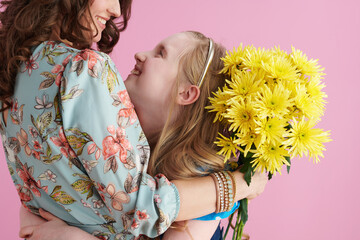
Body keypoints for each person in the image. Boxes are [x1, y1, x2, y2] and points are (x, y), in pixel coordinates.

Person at [0, 0, 267, 239]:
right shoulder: (86, 69)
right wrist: (240, 185)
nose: (116, 10)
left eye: (160, 53)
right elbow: (141, 207)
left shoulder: (15, 70)